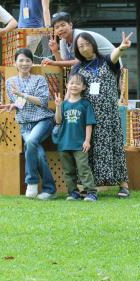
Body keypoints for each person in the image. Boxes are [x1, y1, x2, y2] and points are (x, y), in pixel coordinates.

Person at [72, 31, 133, 198]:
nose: (85, 48)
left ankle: (123, 186)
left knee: (115, 146)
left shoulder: (106, 60)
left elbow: (115, 55)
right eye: (80, 46)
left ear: (93, 44)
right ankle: (86, 186)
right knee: (88, 150)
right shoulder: (77, 68)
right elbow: (72, 88)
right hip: (87, 116)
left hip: (109, 114)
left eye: (87, 44)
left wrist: (121, 47)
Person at [3, 48, 56, 200]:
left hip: (43, 120)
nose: (24, 63)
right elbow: (19, 102)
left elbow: (43, 102)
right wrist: (13, 105)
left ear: (32, 63)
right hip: (25, 124)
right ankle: (50, 190)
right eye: (21, 60)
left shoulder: (39, 79)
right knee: (37, 153)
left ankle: (31, 182)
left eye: (28, 60)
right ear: (15, 63)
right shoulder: (10, 82)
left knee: (31, 142)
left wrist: (22, 94)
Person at [53, 73, 98, 202]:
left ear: (84, 87)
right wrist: (58, 106)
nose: (74, 86)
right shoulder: (63, 104)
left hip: (80, 144)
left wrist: (87, 141)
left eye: (78, 83)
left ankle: (91, 192)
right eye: (72, 83)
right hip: (64, 143)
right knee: (68, 171)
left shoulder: (85, 104)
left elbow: (89, 123)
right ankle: (73, 192)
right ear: (67, 85)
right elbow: (58, 121)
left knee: (83, 168)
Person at [42, 12, 118, 68]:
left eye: (63, 25)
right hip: (96, 64)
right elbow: (63, 63)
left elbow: (79, 62)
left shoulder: (79, 36)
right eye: (57, 27)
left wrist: (53, 63)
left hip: (111, 62)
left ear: (70, 25)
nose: (60, 29)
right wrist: (55, 51)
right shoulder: (63, 40)